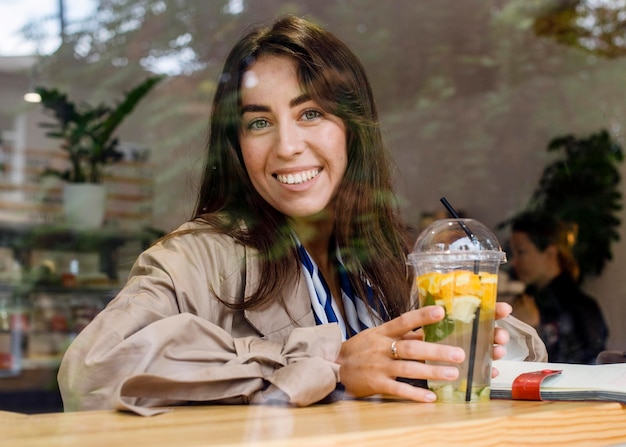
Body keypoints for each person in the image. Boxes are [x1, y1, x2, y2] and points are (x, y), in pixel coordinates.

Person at [58, 15, 529, 415]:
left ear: (352, 129)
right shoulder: (193, 259)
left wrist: (480, 337)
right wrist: (331, 364)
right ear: (237, 146)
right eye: (260, 122)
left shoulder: (392, 253)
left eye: (311, 114)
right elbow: (90, 373)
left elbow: (529, 352)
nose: (286, 147)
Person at [508, 211, 608, 364]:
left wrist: (535, 328)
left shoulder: (581, 307)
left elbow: (588, 365)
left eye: (521, 252)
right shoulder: (528, 300)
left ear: (549, 253)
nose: (513, 262)